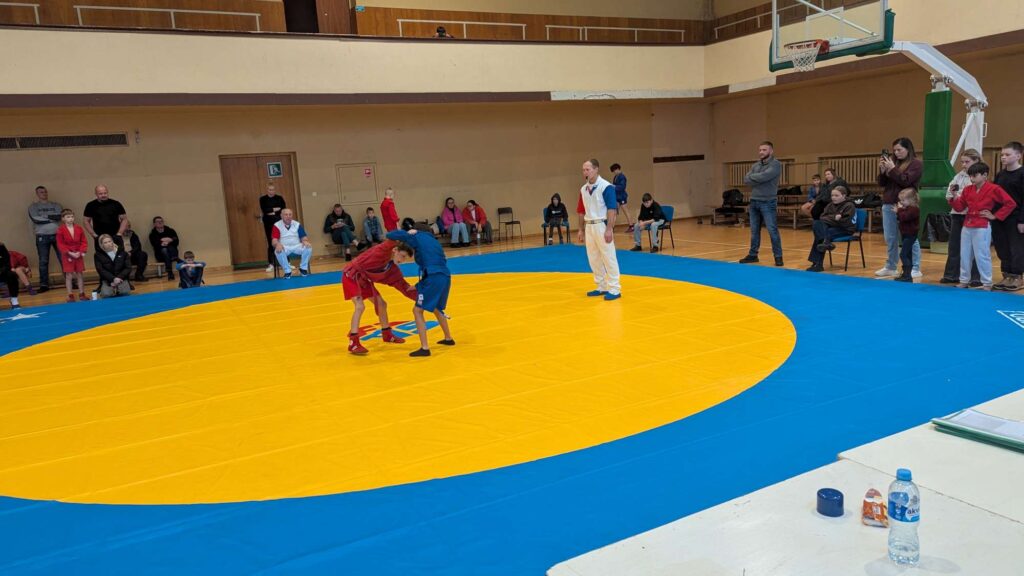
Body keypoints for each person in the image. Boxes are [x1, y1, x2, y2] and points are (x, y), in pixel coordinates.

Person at [387, 218, 456, 357]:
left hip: (433, 277)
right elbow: (434, 264)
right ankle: (448, 338)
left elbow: (391, 235)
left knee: (417, 310)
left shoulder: (417, 237)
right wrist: (419, 286)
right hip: (445, 276)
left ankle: (425, 348)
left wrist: (410, 232)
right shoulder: (434, 241)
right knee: (436, 308)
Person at [949, 162, 1017, 290]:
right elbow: (959, 207)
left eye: (974, 176)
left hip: (982, 225)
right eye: (970, 176)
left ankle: (987, 283)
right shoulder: (968, 189)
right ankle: (964, 281)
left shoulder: (994, 188)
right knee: (965, 254)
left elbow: (1010, 203)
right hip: (967, 224)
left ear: (985, 175)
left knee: (982, 255)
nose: (972, 178)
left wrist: (995, 216)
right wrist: (954, 196)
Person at [342, 239, 417, 355]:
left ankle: (387, 334)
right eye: (402, 256)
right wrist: (402, 235)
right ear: (395, 250)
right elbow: (391, 237)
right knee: (360, 306)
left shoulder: (392, 269)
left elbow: (404, 287)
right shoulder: (381, 252)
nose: (402, 260)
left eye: (405, 258)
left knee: (382, 304)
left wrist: (423, 299)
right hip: (351, 276)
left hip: (363, 280)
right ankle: (353, 342)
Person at [876, 138, 923, 278]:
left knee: (910, 236)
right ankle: (891, 266)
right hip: (889, 202)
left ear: (908, 149)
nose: (896, 153)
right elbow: (882, 183)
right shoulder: (894, 162)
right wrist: (883, 171)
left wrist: (892, 169)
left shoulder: (916, 164)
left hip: (907, 205)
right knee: (890, 237)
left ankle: (915, 267)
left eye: (899, 150)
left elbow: (905, 181)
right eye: (894, 150)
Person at [576, 158, 622, 300]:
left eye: (588, 169)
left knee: (608, 256)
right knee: (593, 257)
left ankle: (614, 288)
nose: (585, 172)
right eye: (583, 170)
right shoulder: (583, 189)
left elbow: (612, 209)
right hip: (589, 225)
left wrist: (609, 229)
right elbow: (581, 211)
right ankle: (601, 286)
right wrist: (580, 229)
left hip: (602, 224)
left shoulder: (606, 187)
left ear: (596, 169)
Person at [739, 141, 784, 266]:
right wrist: (757, 178)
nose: (761, 152)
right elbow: (746, 180)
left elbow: (765, 177)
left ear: (771, 151)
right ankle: (753, 255)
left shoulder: (776, 164)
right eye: (760, 150)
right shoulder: (755, 165)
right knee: (754, 231)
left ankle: (778, 256)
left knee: (772, 230)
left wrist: (754, 178)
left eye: (764, 150)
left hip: (768, 202)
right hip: (754, 201)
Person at [941, 149, 982, 286]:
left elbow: (973, 198)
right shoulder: (959, 176)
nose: (964, 165)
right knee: (954, 246)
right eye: (962, 162)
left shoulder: (980, 177)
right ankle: (951, 274)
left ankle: (976, 277)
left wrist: (959, 195)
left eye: (967, 162)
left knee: (975, 247)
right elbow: (949, 194)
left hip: (972, 216)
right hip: (957, 215)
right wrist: (959, 196)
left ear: (976, 161)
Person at [992, 142, 1024, 291]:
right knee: (1002, 247)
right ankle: (1006, 275)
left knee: (1016, 248)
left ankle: (1017, 276)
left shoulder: (1022, 174)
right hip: (1000, 217)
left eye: (1007, 154)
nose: (1003, 157)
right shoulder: (1000, 175)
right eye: (1002, 155)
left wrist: (1022, 220)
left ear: (1018, 156)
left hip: (1015, 218)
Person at [806, 185, 856, 272]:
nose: (833, 198)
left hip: (845, 229)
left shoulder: (849, 205)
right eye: (832, 195)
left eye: (836, 195)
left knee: (821, 235)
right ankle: (826, 244)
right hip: (831, 227)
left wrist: (831, 219)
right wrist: (834, 218)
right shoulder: (830, 205)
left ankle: (817, 263)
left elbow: (845, 221)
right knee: (817, 223)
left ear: (844, 196)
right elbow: (822, 217)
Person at [27, 185, 63, 293]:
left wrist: (45, 217)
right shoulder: (33, 206)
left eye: (45, 192)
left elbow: (60, 216)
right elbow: (36, 219)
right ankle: (44, 285)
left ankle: (70, 281)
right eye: (41, 192)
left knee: (63, 258)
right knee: (43, 261)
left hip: (58, 235)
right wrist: (51, 218)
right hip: (42, 236)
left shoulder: (56, 205)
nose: (44, 194)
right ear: (37, 194)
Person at [82, 184, 128, 252]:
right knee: (102, 257)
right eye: (100, 194)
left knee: (119, 256)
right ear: (96, 194)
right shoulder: (90, 205)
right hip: (100, 237)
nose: (103, 195)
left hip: (115, 236)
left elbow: (124, 219)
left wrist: (119, 234)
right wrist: (94, 235)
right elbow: (86, 221)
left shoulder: (116, 204)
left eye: (105, 193)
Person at [56, 209, 87, 302]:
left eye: (72, 217)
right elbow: (60, 244)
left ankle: (82, 294)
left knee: (80, 274)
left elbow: (84, 241)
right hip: (67, 254)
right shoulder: (60, 230)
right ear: (63, 219)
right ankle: (70, 295)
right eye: (68, 217)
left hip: (78, 254)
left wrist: (80, 252)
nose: (71, 219)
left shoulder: (79, 228)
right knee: (69, 275)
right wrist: (69, 253)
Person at [271, 208, 313, 277]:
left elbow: (304, 237)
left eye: (290, 214)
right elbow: (274, 240)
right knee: (278, 251)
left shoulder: (297, 224)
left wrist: (305, 241)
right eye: (286, 215)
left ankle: (303, 268)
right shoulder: (277, 225)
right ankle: (287, 271)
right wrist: (277, 244)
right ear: (281, 216)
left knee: (308, 247)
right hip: (284, 247)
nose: (288, 216)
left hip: (297, 246)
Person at [894, 189, 921, 283]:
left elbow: (904, 217)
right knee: (908, 254)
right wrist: (900, 211)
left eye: (903, 200)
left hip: (910, 235)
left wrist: (899, 210)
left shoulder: (914, 209)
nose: (901, 202)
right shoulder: (907, 208)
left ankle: (907, 275)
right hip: (905, 234)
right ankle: (907, 275)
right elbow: (901, 218)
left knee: (903, 254)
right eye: (900, 200)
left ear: (911, 200)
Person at [94, 234, 132, 298]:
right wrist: (113, 279)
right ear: (101, 244)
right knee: (106, 294)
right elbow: (100, 270)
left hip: (121, 279)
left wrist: (119, 278)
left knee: (125, 292)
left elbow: (128, 268)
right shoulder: (97, 255)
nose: (108, 244)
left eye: (109, 241)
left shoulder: (123, 252)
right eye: (105, 242)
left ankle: (117, 289)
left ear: (112, 241)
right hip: (108, 280)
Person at [260, 182, 286, 273]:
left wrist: (272, 211)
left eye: (273, 190)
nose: (272, 191)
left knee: (282, 241)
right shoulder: (263, 199)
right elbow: (265, 210)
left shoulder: (279, 198)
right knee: (271, 242)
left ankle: (286, 262)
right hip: (268, 223)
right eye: (270, 190)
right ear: (267, 190)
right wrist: (275, 209)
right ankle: (271, 264)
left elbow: (283, 209)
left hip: (278, 222)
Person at [149, 216, 180, 281]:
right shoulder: (152, 234)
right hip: (161, 255)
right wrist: (169, 240)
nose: (160, 222)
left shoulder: (170, 230)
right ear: (154, 224)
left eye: (161, 221)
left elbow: (176, 241)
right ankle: (171, 270)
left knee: (168, 248)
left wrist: (169, 241)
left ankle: (170, 272)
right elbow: (156, 245)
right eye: (158, 221)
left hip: (172, 252)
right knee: (164, 250)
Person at [609, 163, 634, 232]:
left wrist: (614, 186)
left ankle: (631, 226)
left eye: (614, 171)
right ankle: (612, 227)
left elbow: (622, 187)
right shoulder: (616, 177)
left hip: (622, 196)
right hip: (617, 196)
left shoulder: (622, 177)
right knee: (614, 212)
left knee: (625, 211)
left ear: (617, 169)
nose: (614, 173)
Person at [0, 243, 22, 310]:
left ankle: (14, 300)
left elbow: (7, 264)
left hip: (1, 272)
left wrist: (1, 271)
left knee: (12, 275)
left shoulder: (1, 247)